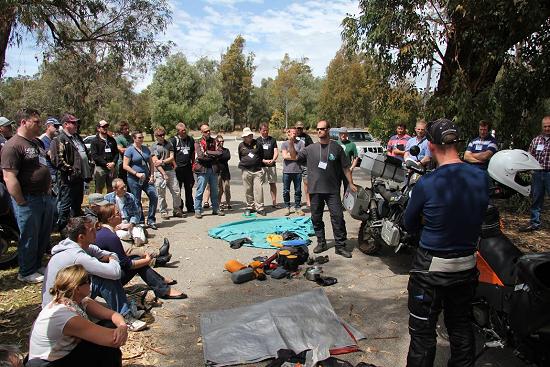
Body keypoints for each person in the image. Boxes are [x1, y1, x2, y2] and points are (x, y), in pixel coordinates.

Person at [403, 118, 489, 367]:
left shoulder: (427, 183)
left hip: (431, 267)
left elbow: (409, 224)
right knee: (460, 325)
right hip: (466, 265)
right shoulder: (481, 178)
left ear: (430, 145)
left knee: (422, 334)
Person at [42, 216, 146, 332]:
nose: (96, 231)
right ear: (81, 237)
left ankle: (125, 311)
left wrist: (111, 257)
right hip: (58, 306)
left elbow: (103, 252)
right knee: (105, 278)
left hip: (67, 296)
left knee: (104, 274)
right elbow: (115, 272)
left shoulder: (74, 244)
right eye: (91, 230)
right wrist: (112, 258)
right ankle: (126, 318)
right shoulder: (77, 256)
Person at [27, 265, 126, 366]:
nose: (91, 284)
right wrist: (120, 332)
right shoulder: (66, 315)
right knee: (108, 349)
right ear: (77, 288)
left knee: (108, 325)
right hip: (47, 363)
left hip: (62, 355)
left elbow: (112, 315)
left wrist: (122, 325)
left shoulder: (76, 301)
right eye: (88, 281)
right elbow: (113, 340)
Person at [2, 108, 56, 284]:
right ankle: (26, 271)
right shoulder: (13, 145)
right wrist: (20, 201)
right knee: (29, 235)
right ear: (23, 122)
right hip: (28, 199)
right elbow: (9, 176)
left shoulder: (36, 143)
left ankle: (37, 264)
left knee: (42, 234)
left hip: (44, 197)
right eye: (36, 121)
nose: (39, 125)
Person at [93, 204, 187, 300]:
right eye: (118, 213)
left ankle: (160, 281)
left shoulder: (102, 231)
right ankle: (163, 290)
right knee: (139, 263)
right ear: (110, 219)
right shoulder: (110, 236)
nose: (121, 214)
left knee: (136, 258)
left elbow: (121, 257)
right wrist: (147, 260)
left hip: (102, 278)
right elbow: (127, 264)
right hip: (106, 284)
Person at [298, 120, 356, 258]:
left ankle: (340, 246)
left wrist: (351, 183)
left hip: (332, 190)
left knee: (338, 217)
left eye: (322, 129)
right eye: (318, 129)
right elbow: (295, 157)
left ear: (328, 129)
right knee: (316, 217)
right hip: (315, 190)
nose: (319, 131)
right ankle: (321, 242)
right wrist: (291, 141)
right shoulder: (310, 148)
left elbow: (345, 167)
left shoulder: (337, 148)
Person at [91, 190, 171, 266]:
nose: (104, 207)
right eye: (101, 205)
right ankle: (155, 259)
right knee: (128, 251)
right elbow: (126, 264)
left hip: (111, 243)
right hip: (104, 254)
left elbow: (136, 214)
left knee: (130, 248)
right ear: (93, 206)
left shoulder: (100, 215)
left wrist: (130, 224)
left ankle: (156, 256)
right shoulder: (90, 219)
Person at [50, 113, 93, 231]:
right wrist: (72, 170)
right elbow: (57, 160)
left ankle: (75, 230)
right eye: (73, 123)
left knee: (77, 205)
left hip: (79, 178)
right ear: (65, 124)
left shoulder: (77, 137)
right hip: (67, 180)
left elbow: (84, 153)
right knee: (65, 206)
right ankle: (63, 231)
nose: (76, 125)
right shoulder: (60, 139)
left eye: (76, 123)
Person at [122, 130, 158, 230]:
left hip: (146, 178)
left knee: (154, 195)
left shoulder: (146, 149)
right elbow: (125, 165)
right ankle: (141, 220)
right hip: (134, 179)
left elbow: (151, 163)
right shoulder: (129, 150)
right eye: (139, 138)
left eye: (142, 137)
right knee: (137, 200)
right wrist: (136, 173)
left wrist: (152, 175)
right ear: (134, 138)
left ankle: (151, 219)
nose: (141, 139)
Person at [520, 116, 550, 232]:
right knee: (536, 199)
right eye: (545, 126)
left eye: (549, 126)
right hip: (537, 174)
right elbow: (529, 156)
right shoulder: (536, 140)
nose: (547, 129)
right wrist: (530, 168)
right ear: (542, 127)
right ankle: (534, 223)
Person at [193, 123, 224, 218]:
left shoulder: (215, 141)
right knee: (200, 191)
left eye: (209, 130)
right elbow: (201, 156)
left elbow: (220, 152)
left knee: (214, 191)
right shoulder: (198, 142)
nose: (208, 132)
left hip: (213, 169)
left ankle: (216, 209)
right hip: (202, 170)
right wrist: (213, 156)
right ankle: (198, 210)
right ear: (202, 132)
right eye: (206, 131)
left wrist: (208, 153)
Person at [151, 127, 182, 219]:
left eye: (163, 134)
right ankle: (163, 211)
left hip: (170, 170)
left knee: (176, 191)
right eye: (160, 135)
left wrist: (163, 161)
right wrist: (163, 173)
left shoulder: (169, 144)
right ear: (156, 136)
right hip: (159, 173)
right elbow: (155, 162)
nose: (162, 136)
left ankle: (177, 209)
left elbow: (172, 157)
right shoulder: (154, 146)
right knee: (161, 193)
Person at [238, 127, 265, 216]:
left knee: (258, 189)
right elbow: (240, 157)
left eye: (249, 135)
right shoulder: (241, 146)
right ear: (243, 137)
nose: (248, 137)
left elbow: (261, 155)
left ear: (252, 135)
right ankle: (250, 206)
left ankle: (260, 207)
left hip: (257, 170)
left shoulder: (258, 143)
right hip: (246, 170)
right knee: (248, 189)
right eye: (246, 136)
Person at [170, 122, 195, 215]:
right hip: (177, 169)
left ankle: (190, 207)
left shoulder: (190, 139)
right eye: (182, 130)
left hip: (188, 168)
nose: (184, 132)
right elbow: (171, 154)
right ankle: (179, 208)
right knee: (177, 189)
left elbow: (192, 153)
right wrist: (175, 165)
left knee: (189, 188)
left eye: (185, 130)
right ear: (178, 131)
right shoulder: (173, 140)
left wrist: (193, 165)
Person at [281, 127, 305, 216]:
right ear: (289, 133)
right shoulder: (284, 144)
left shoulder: (301, 143)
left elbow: (300, 157)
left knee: (298, 191)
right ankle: (287, 207)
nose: (294, 134)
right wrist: (294, 155)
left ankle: (298, 207)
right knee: (286, 191)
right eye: (292, 132)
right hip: (287, 171)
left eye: (295, 133)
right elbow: (284, 156)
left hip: (298, 171)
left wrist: (291, 155)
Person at [90, 120, 119, 193]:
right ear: (98, 128)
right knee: (99, 188)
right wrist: (106, 164)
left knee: (111, 187)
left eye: (106, 126)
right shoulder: (94, 141)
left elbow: (116, 153)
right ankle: (98, 203)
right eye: (103, 127)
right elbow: (94, 156)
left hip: (112, 167)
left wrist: (113, 163)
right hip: (101, 168)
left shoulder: (112, 140)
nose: (105, 128)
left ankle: (110, 203)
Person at [256, 122, 279, 208]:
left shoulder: (272, 140)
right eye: (264, 130)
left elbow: (276, 151)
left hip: (271, 165)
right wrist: (263, 160)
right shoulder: (257, 141)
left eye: (267, 130)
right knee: (259, 185)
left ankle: (274, 202)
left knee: (272, 184)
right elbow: (256, 154)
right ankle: (259, 204)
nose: (266, 132)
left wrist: (273, 160)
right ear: (260, 130)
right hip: (261, 165)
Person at [295, 121, 314, 207]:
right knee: (297, 183)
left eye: (300, 128)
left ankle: (308, 200)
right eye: (297, 128)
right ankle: (297, 202)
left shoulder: (307, 137)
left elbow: (312, 148)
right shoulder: (293, 136)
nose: (299, 129)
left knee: (306, 183)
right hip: (295, 164)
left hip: (305, 163)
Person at [337, 127, 359, 193]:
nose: (343, 135)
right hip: (337, 169)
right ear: (339, 134)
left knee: (347, 188)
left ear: (347, 135)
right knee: (336, 187)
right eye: (341, 133)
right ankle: (337, 202)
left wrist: (352, 168)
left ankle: (345, 202)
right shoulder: (335, 144)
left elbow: (355, 158)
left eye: (344, 133)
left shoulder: (352, 145)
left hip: (347, 170)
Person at [215, 135, 232, 210]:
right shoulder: (214, 150)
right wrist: (216, 150)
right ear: (216, 142)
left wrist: (218, 154)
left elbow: (226, 157)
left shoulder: (226, 150)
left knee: (227, 188)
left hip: (225, 172)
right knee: (219, 189)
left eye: (222, 141)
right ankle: (218, 203)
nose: (221, 143)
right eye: (219, 141)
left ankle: (228, 203)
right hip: (217, 172)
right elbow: (214, 157)